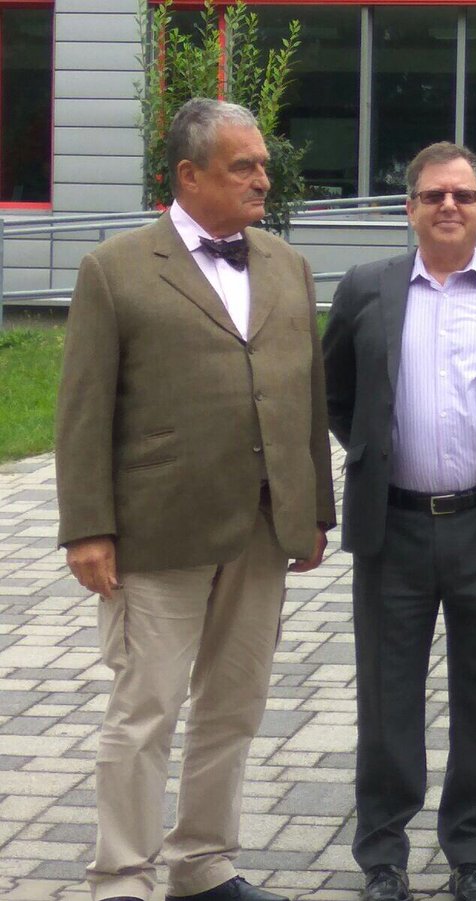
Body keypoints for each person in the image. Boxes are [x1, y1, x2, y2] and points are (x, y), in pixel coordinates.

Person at [55, 98, 336, 901]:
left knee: (234, 706)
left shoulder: (287, 264)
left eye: (263, 164)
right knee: (144, 709)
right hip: (158, 529)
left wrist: (315, 507)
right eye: (243, 166)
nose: (263, 178)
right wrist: (88, 527)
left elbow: (307, 396)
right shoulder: (115, 268)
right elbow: (82, 409)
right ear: (188, 174)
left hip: (263, 525)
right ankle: (122, 876)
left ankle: (204, 863)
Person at [322, 141, 476, 901]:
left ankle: (473, 854)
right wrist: (375, 454)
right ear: (410, 208)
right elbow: (337, 394)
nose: (448, 206)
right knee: (386, 695)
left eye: (462, 195)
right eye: (433, 195)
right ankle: (383, 856)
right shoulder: (365, 289)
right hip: (391, 527)